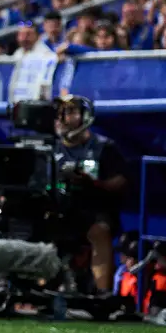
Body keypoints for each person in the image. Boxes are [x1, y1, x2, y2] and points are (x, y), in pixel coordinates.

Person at [54, 95, 127, 292]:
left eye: (69, 112)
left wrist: (94, 183)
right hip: (58, 208)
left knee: (99, 231)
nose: (61, 118)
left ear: (84, 116)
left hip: (93, 209)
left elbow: (120, 182)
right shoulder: (50, 147)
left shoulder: (103, 147)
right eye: (59, 112)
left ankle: (103, 294)